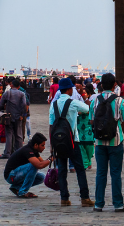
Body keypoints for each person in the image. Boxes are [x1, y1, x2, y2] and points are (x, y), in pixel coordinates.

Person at [47, 76, 92, 206]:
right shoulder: (73, 103)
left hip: (58, 141)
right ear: (69, 90)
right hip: (73, 140)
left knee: (62, 170)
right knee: (80, 169)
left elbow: (51, 125)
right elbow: (87, 109)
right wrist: (85, 99)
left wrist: (52, 145)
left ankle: (64, 198)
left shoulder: (53, 105)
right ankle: (85, 198)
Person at [92, 72, 124, 212]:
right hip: (116, 142)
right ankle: (118, 204)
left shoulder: (95, 100)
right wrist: (119, 133)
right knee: (115, 174)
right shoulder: (120, 101)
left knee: (100, 173)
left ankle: (98, 204)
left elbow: (91, 120)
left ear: (101, 84)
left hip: (100, 143)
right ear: (115, 85)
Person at [5, 132, 52, 198]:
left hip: (17, 173)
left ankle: (16, 187)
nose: (44, 148)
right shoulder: (27, 150)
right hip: (11, 175)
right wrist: (50, 159)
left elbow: (42, 162)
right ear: (36, 145)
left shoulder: (34, 150)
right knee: (33, 166)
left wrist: (52, 157)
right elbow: (39, 165)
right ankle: (23, 192)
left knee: (41, 177)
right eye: (42, 145)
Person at [1, 78, 29, 158]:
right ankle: (19, 152)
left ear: (11, 85)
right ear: (19, 86)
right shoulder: (22, 94)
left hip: (8, 116)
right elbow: (24, 105)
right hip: (18, 116)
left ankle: (7, 153)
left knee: (9, 134)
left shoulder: (7, 93)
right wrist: (22, 114)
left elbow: (1, 104)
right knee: (18, 135)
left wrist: (2, 110)